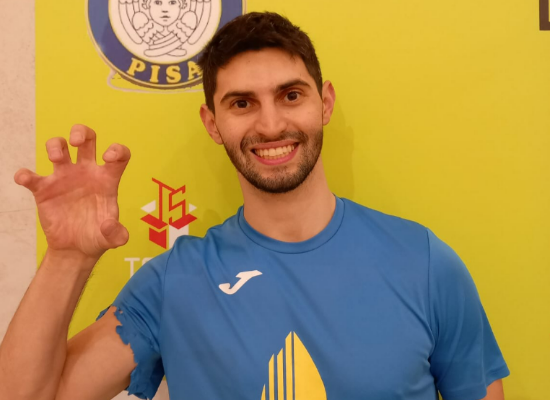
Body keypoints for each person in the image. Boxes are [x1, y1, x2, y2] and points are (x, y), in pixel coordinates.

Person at [0, 12, 509, 400]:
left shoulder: (423, 263)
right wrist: (67, 258)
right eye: (242, 103)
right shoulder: (173, 283)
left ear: (325, 103)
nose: (270, 125)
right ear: (212, 123)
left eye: (291, 95)